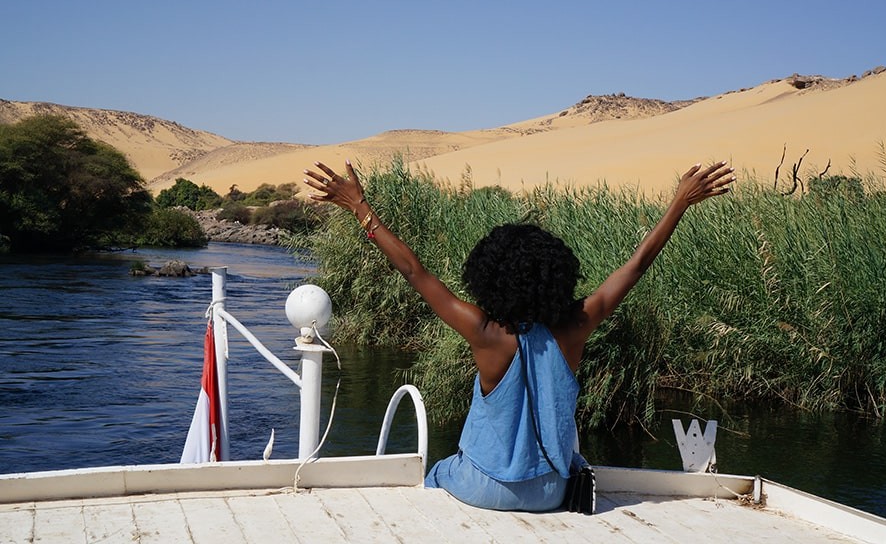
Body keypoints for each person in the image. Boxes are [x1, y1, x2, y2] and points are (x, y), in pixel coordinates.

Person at [304, 159, 735, 511]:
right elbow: (636, 265)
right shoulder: (574, 328)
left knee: (437, 473)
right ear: (556, 275)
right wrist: (680, 202)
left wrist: (360, 206)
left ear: (488, 278)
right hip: (550, 493)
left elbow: (414, 270)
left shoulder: (483, 331)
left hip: (480, 487)